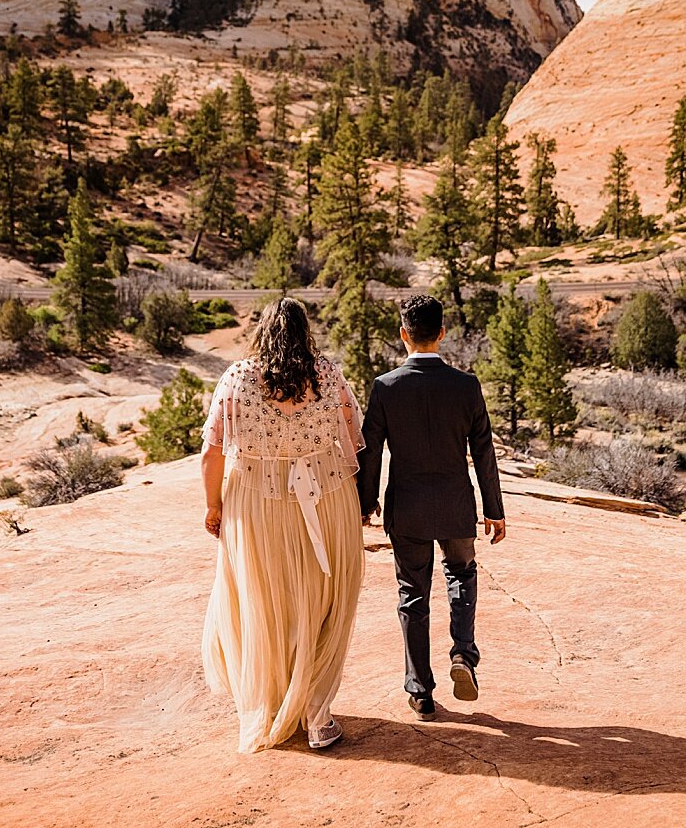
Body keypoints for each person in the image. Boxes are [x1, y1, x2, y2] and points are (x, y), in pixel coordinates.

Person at [200, 298, 366, 752]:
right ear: (304, 332)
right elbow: (354, 440)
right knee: (323, 601)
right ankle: (317, 714)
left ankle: (272, 703)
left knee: (264, 600)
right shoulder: (328, 375)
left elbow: (212, 452)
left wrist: (213, 507)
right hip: (326, 498)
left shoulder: (236, 378)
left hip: (257, 502)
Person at [356, 294, 506, 721]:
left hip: (407, 509)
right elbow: (483, 453)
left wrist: (365, 504)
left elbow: (370, 452)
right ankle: (463, 654)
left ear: (403, 334)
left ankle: (420, 691)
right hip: (456, 505)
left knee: (412, 595)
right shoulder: (466, 386)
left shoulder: (385, 387)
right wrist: (493, 509)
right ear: (442, 333)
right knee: (461, 575)